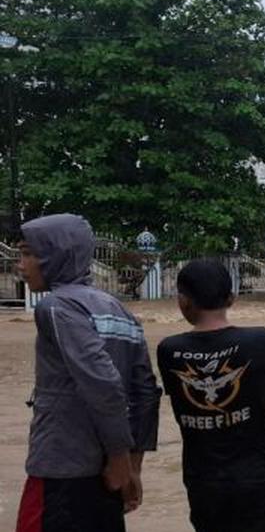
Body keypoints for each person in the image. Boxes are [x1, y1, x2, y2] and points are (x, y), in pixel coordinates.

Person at [15, 214, 160, 532]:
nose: (20, 265)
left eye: (28, 253)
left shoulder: (55, 307)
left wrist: (120, 457)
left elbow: (103, 383)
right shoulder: (120, 311)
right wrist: (132, 467)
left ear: (55, 254)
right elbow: (146, 392)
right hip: (108, 477)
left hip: (61, 470)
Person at [157, 259, 265, 532]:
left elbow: (181, 399)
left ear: (183, 302)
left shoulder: (169, 350)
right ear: (231, 299)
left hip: (203, 479)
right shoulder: (262, 340)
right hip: (259, 476)